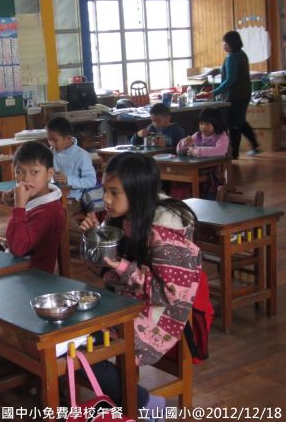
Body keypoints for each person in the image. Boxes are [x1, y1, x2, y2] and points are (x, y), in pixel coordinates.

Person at [80, 152, 201, 411]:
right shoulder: (120, 217)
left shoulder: (164, 231)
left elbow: (168, 295)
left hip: (157, 318)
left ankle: (144, 403)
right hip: (123, 302)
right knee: (68, 340)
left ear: (138, 192)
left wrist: (122, 267)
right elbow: (102, 270)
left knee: (82, 353)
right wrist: (94, 239)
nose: (106, 199)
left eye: (114, 192)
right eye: (105, 190)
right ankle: (126, 401)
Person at [197, 30, 260, 158]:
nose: (223, 45)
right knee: (240, 121)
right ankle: (254, 144)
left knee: (234, 124)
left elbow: (231, 79)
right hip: (244, 94)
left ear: (232, 44)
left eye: (225, 43)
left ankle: (234, 154)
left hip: (235, 96)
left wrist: (214, 92)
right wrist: (217, 71)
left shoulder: (232, 58)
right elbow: (231, 71)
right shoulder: (241, 54)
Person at [5, 141, 66, 273]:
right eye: (19, 172)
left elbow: (18, 248)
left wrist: (19, 207)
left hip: (32, 277)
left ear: (49, 174)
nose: (26, 178)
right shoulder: (38, 199)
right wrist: (17, 202)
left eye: (34, 172)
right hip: (18, 269)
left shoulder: (49, 212)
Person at [45, 116, 97, 239]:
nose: (51, 144)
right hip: (53, 196)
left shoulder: (82, 156)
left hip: (74, 199)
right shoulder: (51, 153)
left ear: (67, 138)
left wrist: (68, 180)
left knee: (59, 216)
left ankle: (87, 241)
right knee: (39, 212)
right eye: (49, 140)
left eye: (55, 140)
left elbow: (91, 181)